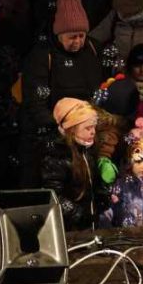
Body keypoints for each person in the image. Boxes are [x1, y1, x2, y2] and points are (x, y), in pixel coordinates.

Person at [20, 0, 105, 186]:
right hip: (53, 140)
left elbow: (103, 90)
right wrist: (63, 129)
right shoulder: (42, 56)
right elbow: (35, 103)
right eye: (71, 37)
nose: (77, 42)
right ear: (59, 34)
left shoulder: (93, 50)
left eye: (81, 36)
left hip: (88, 134)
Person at [40, 98, 102, 231]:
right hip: (68, 228)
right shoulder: (56, 155)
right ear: (72, 129)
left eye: (94, 127)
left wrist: (102, 195)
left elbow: (91, 185)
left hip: (89, 224)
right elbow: (54, 195)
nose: (93, 132)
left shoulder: (87, 150)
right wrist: (77, 214)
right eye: (87, 128)